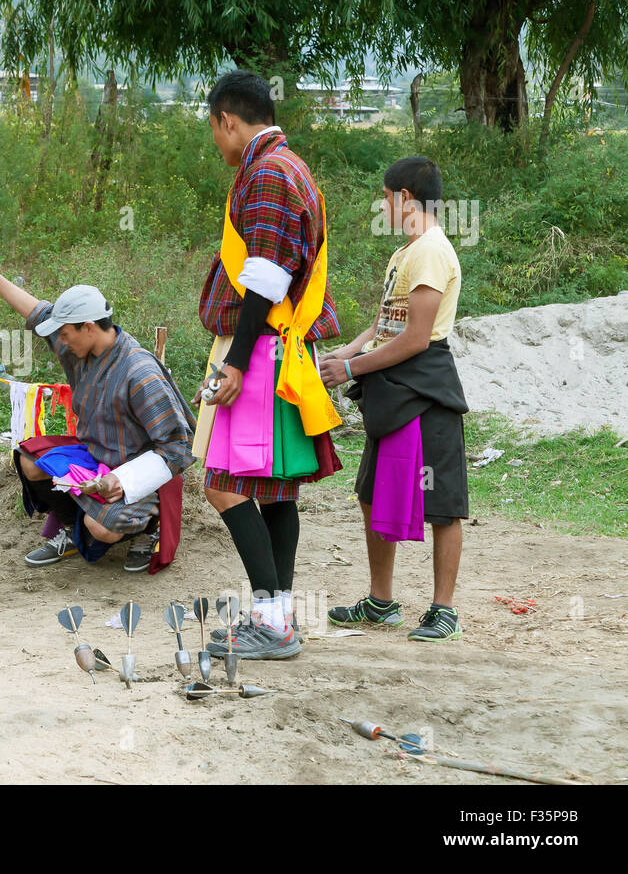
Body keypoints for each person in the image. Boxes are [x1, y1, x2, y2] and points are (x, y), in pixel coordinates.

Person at [196, 69, 344, 658]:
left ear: (227, 120)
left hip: (260, 351)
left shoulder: (266, 173)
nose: (216, 142)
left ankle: (270, 618)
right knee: (278, 491)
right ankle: (277, 617)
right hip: (281, 348)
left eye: (214, 129)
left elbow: (265, 278)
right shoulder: (290, 168)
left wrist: (233, 362)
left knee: (223, 485)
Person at [0, 226, 197, 573]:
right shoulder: (77, 346)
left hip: (137, 472)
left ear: (88, 327)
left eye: (65, 333)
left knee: (102, 528)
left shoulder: (140, 373)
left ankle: (147, 527)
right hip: (93, 459)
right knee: (30, 462)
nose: (60, 341)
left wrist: (125, 481)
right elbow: (35, 312)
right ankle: (69, 528)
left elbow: (179, 448)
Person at [319, 157, 469, 642]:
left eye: (386, 198)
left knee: (442, 503)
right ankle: (381, 601)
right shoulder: (405, 253)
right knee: (371, 494)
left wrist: (350, 368)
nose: (384, 206)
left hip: (423, 387)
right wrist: (348, 348)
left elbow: (417, 337)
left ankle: (443, 610)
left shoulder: (430, 251)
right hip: (391, 389)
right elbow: (388, 323)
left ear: (404, 197)